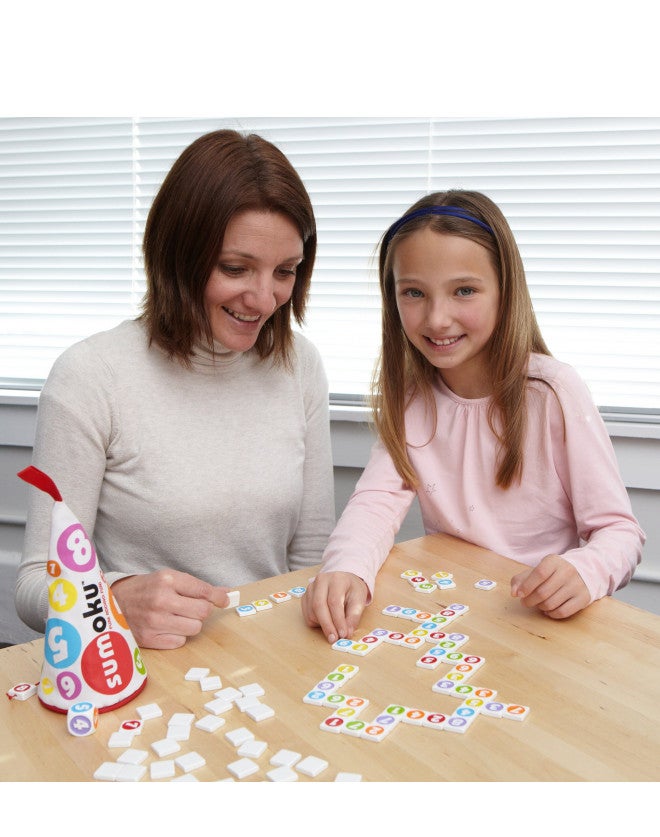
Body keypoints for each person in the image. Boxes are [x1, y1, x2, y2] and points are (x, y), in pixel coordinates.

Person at [16, 129, 336, 650]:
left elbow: (311, 560)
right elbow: (33, 585)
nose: (264, 298)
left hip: (269, 660)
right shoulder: (90, 375)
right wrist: (114, 600)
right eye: (235, 268)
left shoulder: (300, 365)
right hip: (143, 669)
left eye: (286, 272)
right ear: (177, 256)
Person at [302, 189, 645, 643]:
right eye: (414, 293)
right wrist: (347, 567)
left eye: (464, 290)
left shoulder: (553, 392)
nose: (438, 318)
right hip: (461, 623)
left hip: (541, 628)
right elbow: (376, 502)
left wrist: (586, 570)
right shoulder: (411, 397)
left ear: (505, 290)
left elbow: (619, 531)